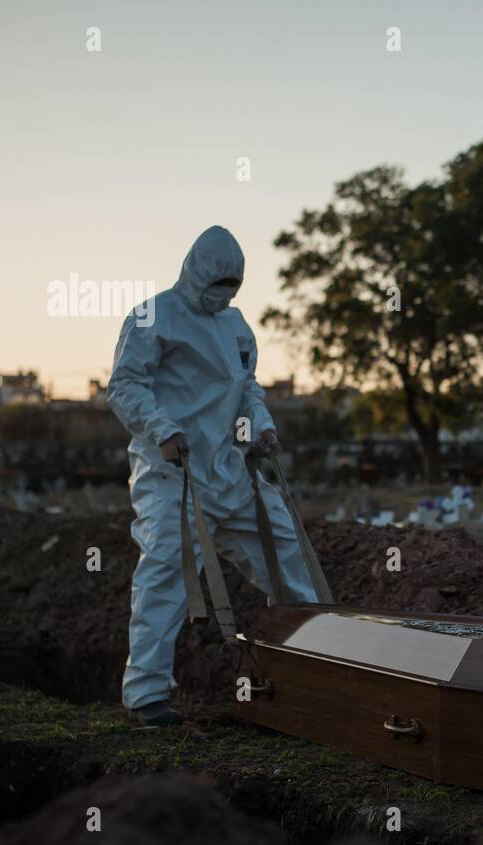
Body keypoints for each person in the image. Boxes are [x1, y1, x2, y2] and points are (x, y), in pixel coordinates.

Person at [107, 225, 319, 727]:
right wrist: (162, 429)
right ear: (194, 271)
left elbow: (248, 391)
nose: (223, 293)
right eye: (216, 282)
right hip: (172, 474)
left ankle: (308, 671)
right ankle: (146, 695)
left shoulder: (237, 325)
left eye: (233, 285)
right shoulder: (152, 316)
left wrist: (260, 429)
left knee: (285, 550)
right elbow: (125, 384)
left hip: (229, 470)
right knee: (166, 568)